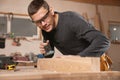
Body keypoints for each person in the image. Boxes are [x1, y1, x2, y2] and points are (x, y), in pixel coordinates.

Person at [28, 0, 110, 58]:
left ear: (51, 11)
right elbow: (50, 54)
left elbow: (103, 41)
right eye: (38, 22)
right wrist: (46, 52)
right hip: (76, 65)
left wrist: (79, 57)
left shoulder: (71, 19)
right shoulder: (45, 29)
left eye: (44, 18)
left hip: (96, 63)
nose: (43, 24)